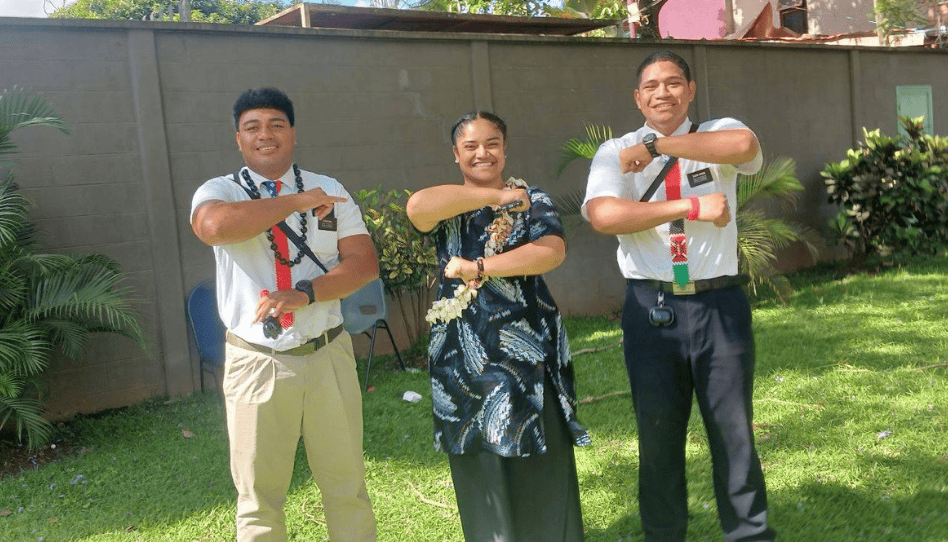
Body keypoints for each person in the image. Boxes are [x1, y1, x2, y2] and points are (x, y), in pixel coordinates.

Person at [581, 51, 777, 542]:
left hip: (719, 307)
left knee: (734, 434)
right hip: (652, 310)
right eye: (651, 86)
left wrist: (660, 146)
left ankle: (750, 534)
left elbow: (745, 144)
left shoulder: (716, 131)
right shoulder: (615, 150)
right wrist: (692, 204)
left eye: (673, 83)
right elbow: (603, 216)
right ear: (637, 97)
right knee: (658, 438)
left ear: (690, 90)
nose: (662, 93)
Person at [190, 87, 377, 542]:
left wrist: (306, 293)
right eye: (252, 127)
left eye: (276, 124)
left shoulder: (330, 190)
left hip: (327, 354)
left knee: (347, 486)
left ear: (292, 132)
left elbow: (363, 264)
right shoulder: (220, 191)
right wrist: (294, 201)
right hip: (257, 361)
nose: (265, 135)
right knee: (259, 499)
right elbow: (213, 227)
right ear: (239, 139)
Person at [406, 111, 590, 541]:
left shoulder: (532, 198)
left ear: (505, 149)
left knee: (540, 458)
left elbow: (550, 252)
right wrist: (491, 198)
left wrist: (479, 265)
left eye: (491, 143)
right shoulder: (448, 207)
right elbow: (418, 208)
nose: (482, 153)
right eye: (470, 146)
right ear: (456, 155)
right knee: (479, 465)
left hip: (526, 354)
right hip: (462, 360)